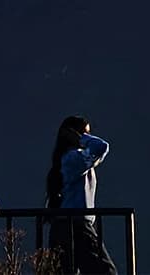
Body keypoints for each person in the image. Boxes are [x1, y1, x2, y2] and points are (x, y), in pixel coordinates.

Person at [46, 116, 116, 275]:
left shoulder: (65, 160)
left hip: (65, 226)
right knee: (106, 271)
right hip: (77, 226)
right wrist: (81, 137)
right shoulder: (73, 159)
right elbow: (101, 147)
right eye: (86, 133)